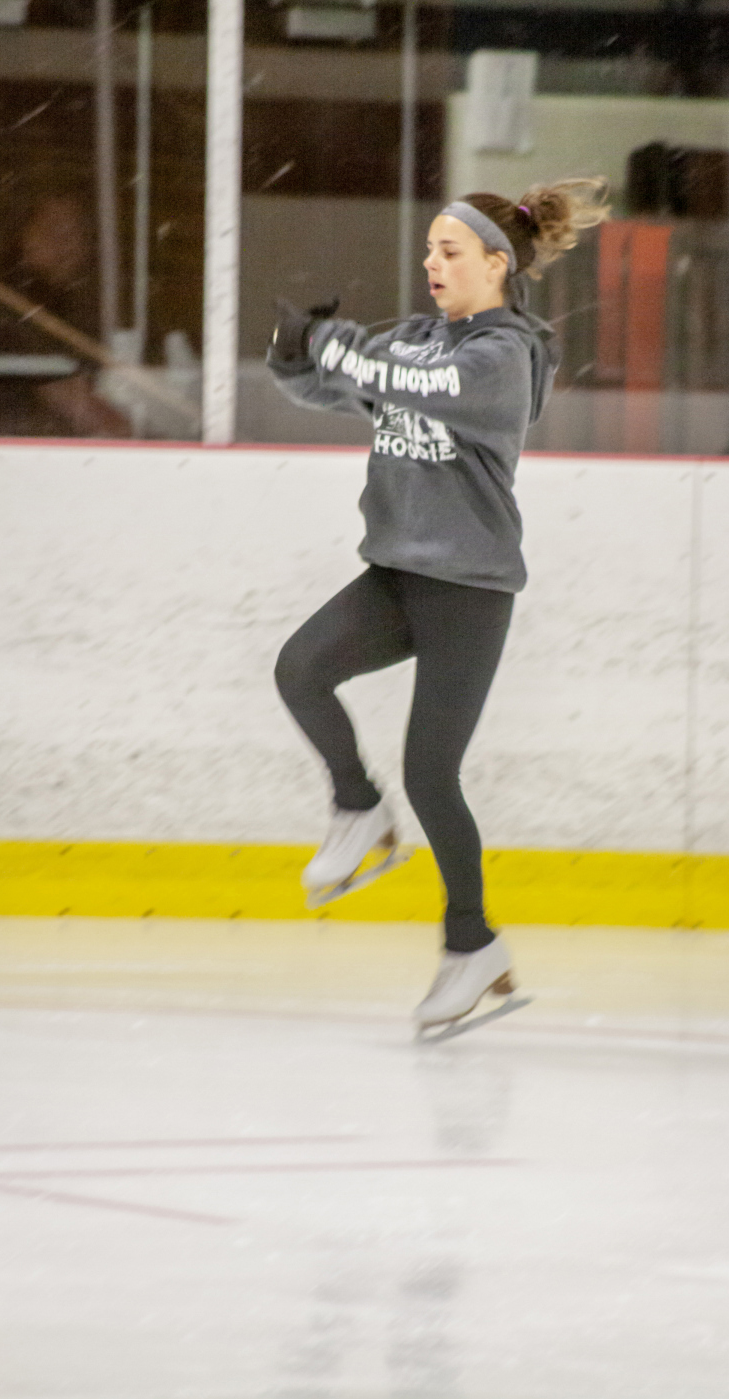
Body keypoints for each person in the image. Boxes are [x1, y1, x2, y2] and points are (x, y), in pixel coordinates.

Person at [267, 179, 609, 1029]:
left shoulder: (504, 357)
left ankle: (472, 945)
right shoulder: (416, 340)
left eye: (450, 251)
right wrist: (293, 355)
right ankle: (357, 806)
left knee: (431, 773)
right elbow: (346, 387)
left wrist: (337, 347)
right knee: (300, 669)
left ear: (496, 264)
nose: (432, 263)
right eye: (429, 249)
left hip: (468, 589)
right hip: (396, 572)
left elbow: (413, 384)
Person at [0, 194, 130, 438]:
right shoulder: (15, 304)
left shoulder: (67, 303)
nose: (66, 243)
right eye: (52, 230)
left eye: (76, 233)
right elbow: (78, 406)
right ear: (23, 239)